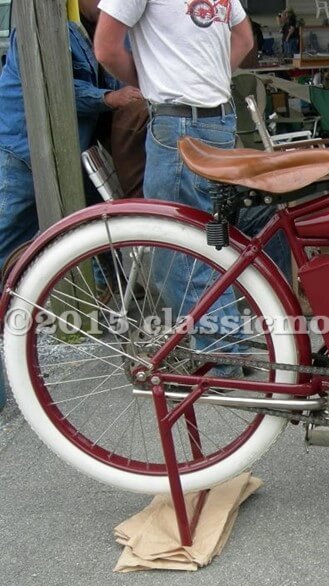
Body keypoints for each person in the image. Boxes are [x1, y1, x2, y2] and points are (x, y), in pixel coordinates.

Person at [95, 0, 255, 369]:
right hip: (221, 120)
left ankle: (225, 365)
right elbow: (244, 40)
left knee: (179, 252)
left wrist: (153, 79)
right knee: (214, 243)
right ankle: (232, 346)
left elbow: (105, 48)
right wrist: (206, 76)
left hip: (178, 125)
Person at [0, 0, 143, 273]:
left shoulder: (99, 25)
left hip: (73, 148)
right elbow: (50, 85)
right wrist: (109, 98)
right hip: (23, 147)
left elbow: (116, 74)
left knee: (96, 224)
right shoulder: (44, 26)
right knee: (11, 231)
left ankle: (110, 285)